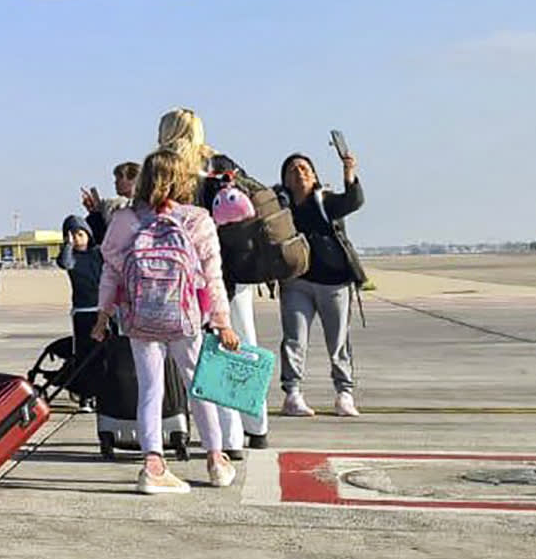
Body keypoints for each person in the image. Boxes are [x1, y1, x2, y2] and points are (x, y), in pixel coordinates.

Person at [92, 149, 240, 495]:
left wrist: (102, 316)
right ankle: (217, 460)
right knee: (197, 387)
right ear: (182, 180)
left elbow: (110, 274)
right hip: (185, 318)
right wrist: (223, 322)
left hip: (139, 318)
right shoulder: (197, 218)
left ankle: (153, 465)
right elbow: (212, 276)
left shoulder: (125, 220)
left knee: (151, 389)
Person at [155, 107, 267, 453]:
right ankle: (257, 425)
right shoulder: (223, 164)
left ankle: (228, 438)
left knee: (207, 355)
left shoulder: (169, 170)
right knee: (243, 346)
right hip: (236, 271)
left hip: (195, 278)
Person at [278, 151, 367, 418]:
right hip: (297, 283)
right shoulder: (281, 208)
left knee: (338, 341)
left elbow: (354, 200)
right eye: (293, 170)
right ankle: (292, 394)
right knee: (294, 339)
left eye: (305, 168)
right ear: (285, 180)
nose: (299, 173)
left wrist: (349, 172)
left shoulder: (326, 201)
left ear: (315, 176)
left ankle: (344, 394)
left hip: (335, 283)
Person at [56, 213, 101, 357]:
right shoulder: (71, 257)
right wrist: (68, 244)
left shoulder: (98, 253)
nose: (77, 239)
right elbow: (65, 263)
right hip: (82, 310)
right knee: (84, 350)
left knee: (104, 349)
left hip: (102, 309)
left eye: (80, 234)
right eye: (73, 236)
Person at [82, 161, 140, 243]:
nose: (116, 182)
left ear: (133, 180)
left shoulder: (122, 205)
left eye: (120, 178)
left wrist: (96, 213)